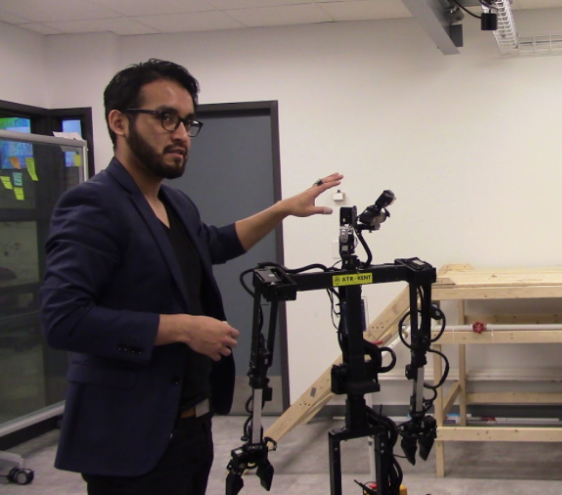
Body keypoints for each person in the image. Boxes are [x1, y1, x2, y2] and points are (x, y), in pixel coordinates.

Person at [39, 59, 342, 495]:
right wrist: (181, 328)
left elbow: (214, 244)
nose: (181, 134)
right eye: (165, 118)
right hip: (131, 437)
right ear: (119, 122)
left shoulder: (175, 203)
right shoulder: (93, 205)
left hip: (188, 427)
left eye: (186, 122)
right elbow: (63, 319)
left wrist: (281, 209)